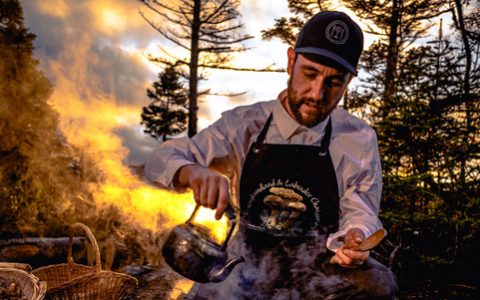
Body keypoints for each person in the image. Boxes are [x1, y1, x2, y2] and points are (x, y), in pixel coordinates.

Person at [146, 11, 397, 299]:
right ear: (291, 61)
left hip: (318, 268)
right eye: (310, 74)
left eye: (334, 82)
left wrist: (354, 238)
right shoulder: (243, 124)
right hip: (245, 264)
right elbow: (161, 160)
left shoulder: (358, 138)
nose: (317, 94)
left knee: (379, 283)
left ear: (349, 81)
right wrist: (191, 172)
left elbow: (361, 211)